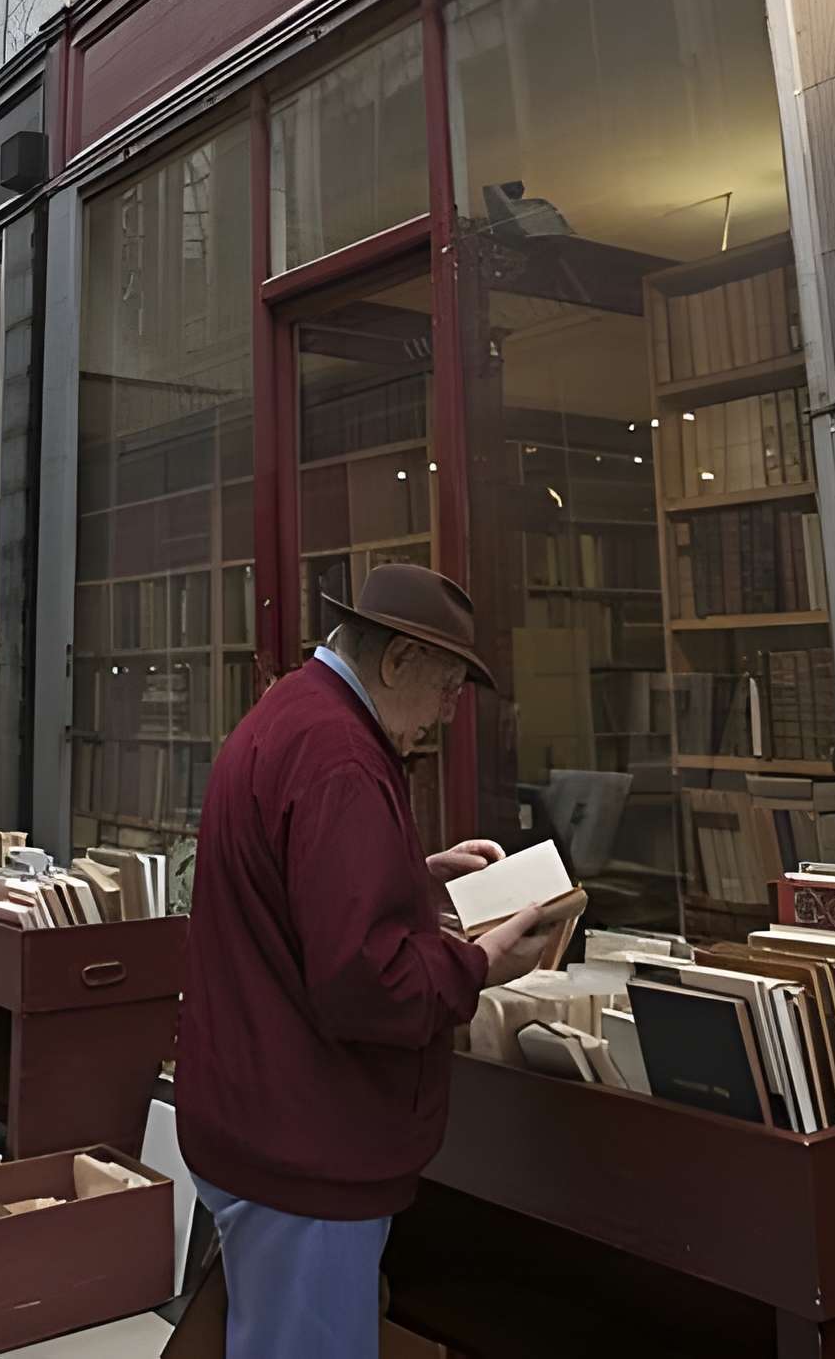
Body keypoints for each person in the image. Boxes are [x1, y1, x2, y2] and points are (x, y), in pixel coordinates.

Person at [177, 564, 568, 1359]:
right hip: (306, 1143)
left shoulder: (291, 713)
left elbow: (288, 892)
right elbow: (365, 985)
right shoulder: (344, 759)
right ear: (395, 663)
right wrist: (479, 965)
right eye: (448, 688)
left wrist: (407, 876)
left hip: (254, 1114)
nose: (449, 714)